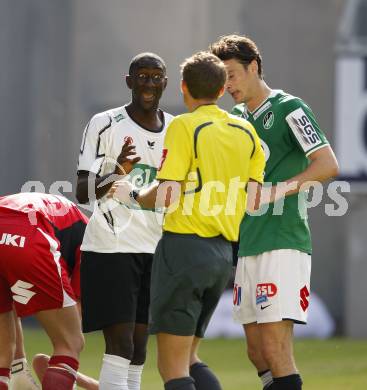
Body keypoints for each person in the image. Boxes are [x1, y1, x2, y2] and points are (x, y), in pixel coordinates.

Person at [109, 51, 266, 390]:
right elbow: (254, 198)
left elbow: (166, 194)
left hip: (184, 251)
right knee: (191, 359)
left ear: (182, 87)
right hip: (224, 257)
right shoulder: (247, 131)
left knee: (173, 368)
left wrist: (130, 194)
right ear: (223, 88)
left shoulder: (184, 125)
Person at [210, 35, 339, 390]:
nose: (228, 86)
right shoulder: (233, 118)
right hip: (247, 242)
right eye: (222, 79)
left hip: (282, 240)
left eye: (232, 75)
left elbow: (327, 165)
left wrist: (273, 193)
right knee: (256, 352)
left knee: (274, 348)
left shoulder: (289, 108)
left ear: (253, 67)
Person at [76, 52, 173, 390]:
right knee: (121, 346)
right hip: (111, 246)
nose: (149, 83)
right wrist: (117, 171)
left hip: (156, 248)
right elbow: (82, 191)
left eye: (156, 76)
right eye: (142, 77)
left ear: (165, 82)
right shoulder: (104, 123)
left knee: (140, 350)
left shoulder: (176, 129)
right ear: (129, 82)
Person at [0, 192, 88, 390]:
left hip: (9, 219)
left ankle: (17, 373)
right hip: (29, 231)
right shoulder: (96, 243)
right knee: (70, 343)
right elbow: (77, 309)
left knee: (1, 360)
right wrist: (66, 369)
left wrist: (20, 366)